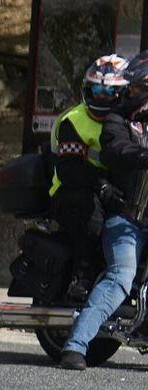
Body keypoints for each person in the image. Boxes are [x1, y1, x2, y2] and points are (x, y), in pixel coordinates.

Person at [58, 52, 148, 371]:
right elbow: (115, 151)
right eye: (139, 87)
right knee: (121, 275)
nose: (107, 96)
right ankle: (76, 344)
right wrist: (143, 154)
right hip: (124, 215)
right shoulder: (116, 121)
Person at [49, 54, 128, 298]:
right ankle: (82, 277)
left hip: (116, 189)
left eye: (109, 91)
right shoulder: (73, 121)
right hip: (73, 190)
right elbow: (69, 168)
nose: (101, 96)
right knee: (89, 209)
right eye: (96, 89)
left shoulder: (131, 119)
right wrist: (102, 186)